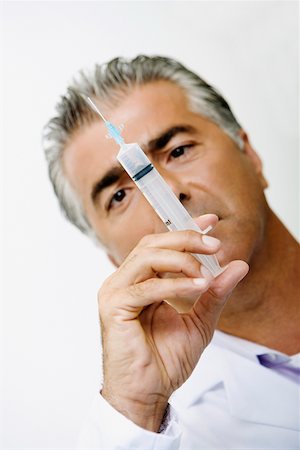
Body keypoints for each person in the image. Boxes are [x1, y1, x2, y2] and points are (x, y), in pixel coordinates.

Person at [43, 56, 300, 449]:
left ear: (250, 155)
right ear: (114, 259)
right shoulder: (158, 429)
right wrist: (135, 408)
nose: (166, 196)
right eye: (119, 195)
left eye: (178, 150)